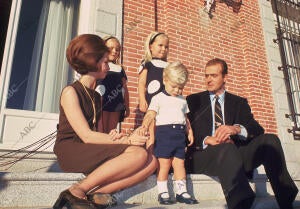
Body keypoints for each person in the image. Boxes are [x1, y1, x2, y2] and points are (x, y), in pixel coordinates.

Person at [53, 34, 157, 209]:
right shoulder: (70, 92)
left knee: (152, 161)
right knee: (138, 154)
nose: (109, 66)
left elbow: (97, 135)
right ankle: (76, 190)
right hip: (71, 149)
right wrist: (128, 140)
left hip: (89, 148)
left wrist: (114, 136)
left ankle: (94, 195)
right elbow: (86, 136)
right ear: (92, 62)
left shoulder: (96, 96)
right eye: (105, 61)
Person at [185, 58, 298, 209]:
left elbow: (256, 128)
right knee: (226, 148)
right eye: (206, 76)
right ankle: (241, 202)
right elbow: (183, 131)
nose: (208, 80)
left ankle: (287, 199)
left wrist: (236, 129)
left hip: (235, 154)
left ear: (225, 77)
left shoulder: (238, 102)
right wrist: (206, 140)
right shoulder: (193, 100)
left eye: (214, 75)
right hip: (204, 155)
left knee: (270, 140)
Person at [141, 62, 198, 205]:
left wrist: (189, 131)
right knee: (164, 164)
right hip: (164, 135)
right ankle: (163, 191)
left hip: (179, 136)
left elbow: (185, 118)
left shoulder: (182, 100)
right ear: (165, 80)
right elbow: (150, 114)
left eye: (181, 87)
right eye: (174, 86)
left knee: (180, 164)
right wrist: (145, 125)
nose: (177, 90)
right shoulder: (158, 98)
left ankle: (181, 191)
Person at [96, 36, 129, 133]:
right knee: (100, 131)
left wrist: (127, 106)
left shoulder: (120, 69)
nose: (114, 51)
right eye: (110, 48)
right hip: (102, 102)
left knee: (111, 132)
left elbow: (124, 88)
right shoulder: (98, 65)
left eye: (117, 49)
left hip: (116, 104)